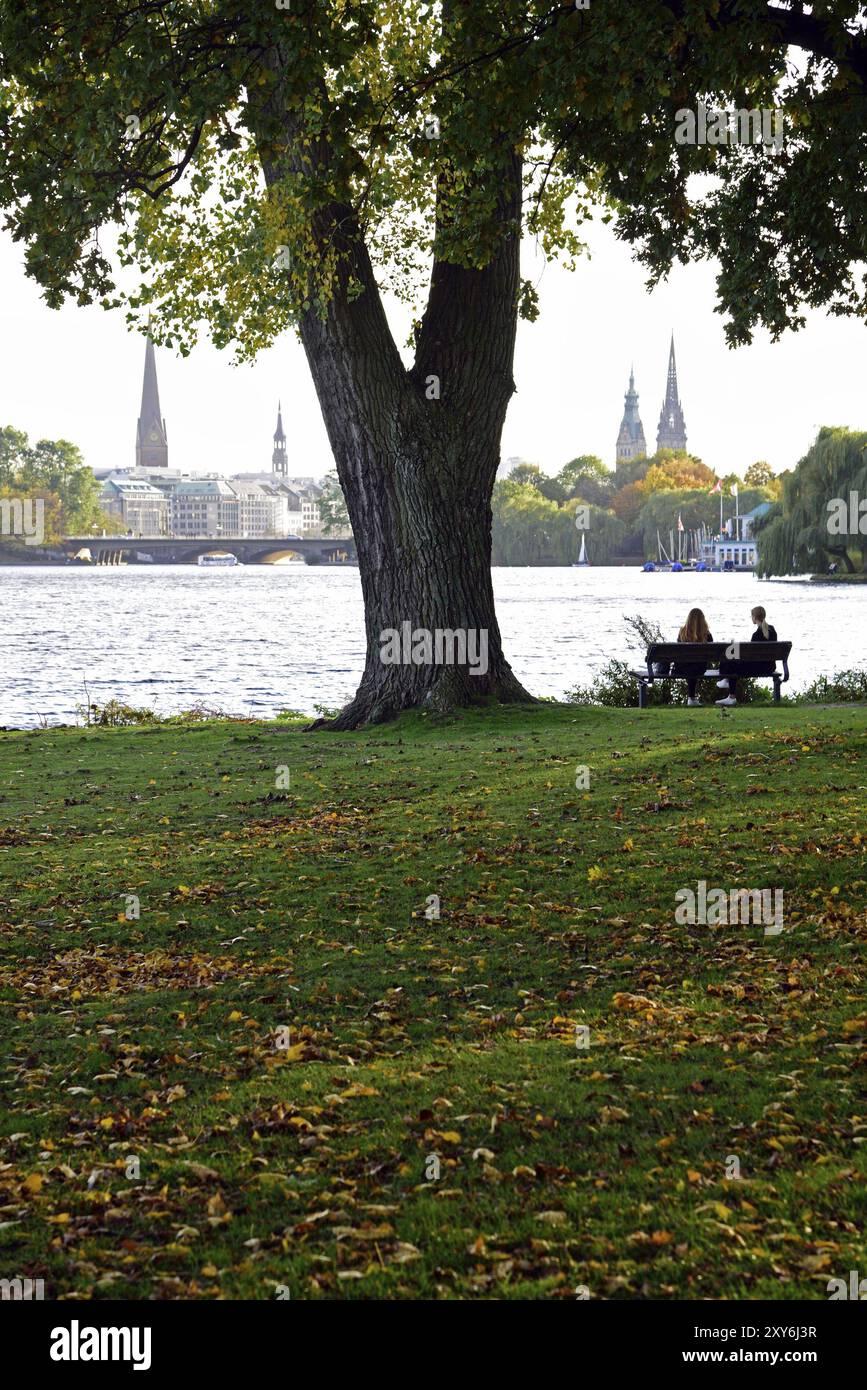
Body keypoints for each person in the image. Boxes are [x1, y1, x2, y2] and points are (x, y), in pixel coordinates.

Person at [716, 606, 778, 706]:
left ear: (754, 618)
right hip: (769, 667)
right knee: (733, 660)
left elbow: (751, 656)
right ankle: (726, 681)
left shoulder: (756, 635)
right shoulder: (772, 630)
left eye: (751, 616)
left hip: (758, 668)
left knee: (731, 660)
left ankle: (730, 691)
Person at [674, 607, 713, 706]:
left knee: (690, 667)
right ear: (703, 619)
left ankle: (691, 698)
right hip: (700, 668)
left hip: (681, 668)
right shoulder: (707, 634)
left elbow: (677, 652)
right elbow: (711, 653)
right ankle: (691, 698)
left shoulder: (682, 632)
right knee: (694, 667)